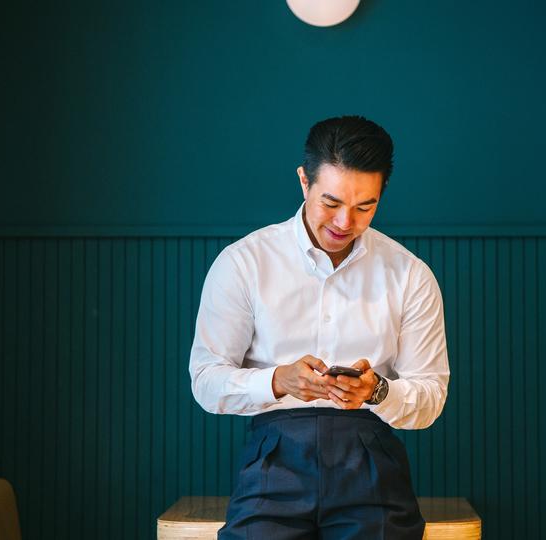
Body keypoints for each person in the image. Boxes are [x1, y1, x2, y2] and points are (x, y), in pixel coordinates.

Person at [189, 115, 450, 539]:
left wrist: (377, 390)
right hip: (272, 460)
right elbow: (205, 379)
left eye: (365, 206)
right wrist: (277, 381)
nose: (345, 222)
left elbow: (431, 396)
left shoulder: (410, 274)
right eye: (331, 202)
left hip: (371, 462)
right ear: (304, 182)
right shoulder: (243, 263)